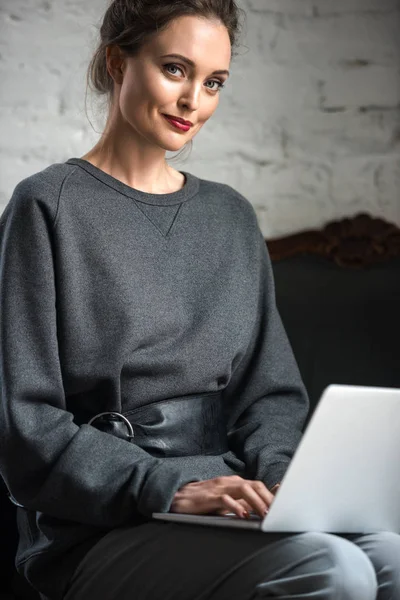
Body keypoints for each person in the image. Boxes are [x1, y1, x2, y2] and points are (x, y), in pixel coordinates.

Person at [0, 1, 399, 599]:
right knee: (329, 569)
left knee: (391, 555)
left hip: (228, 501)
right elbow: (25, 429)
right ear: (118, 62)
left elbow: (269, 396)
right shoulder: (46, 206)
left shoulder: (230, 216)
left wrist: (286, 488)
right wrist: (167, 487)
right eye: (176, 70)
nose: (194, 101)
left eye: (213, 82)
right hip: (101, 527)